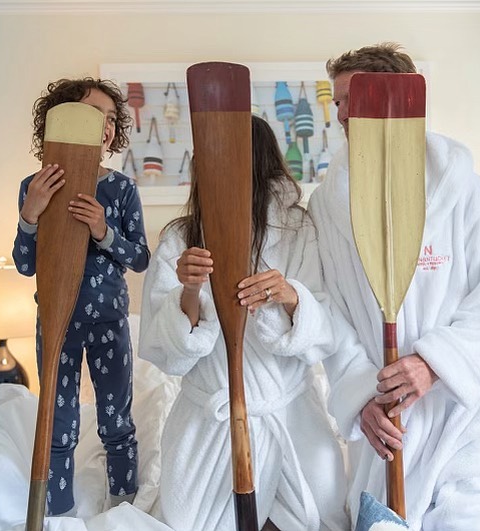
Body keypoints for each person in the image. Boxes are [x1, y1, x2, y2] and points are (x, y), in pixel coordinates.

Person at [309, 42, 480, 529]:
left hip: (463, 422)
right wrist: (362, 398)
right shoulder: (328, 206)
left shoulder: (465, 192)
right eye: (338, 102)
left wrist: (434, 364)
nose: (342, 115)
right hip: (386, 425)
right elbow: (330, 315)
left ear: (396, 101)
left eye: (353, 99)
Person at [138, 115, 350, 531]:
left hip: (289, 415)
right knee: (186, 521)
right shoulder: (181, 238)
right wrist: (190, 290)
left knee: (323, 513)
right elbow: (168, 353)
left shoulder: (299, 229)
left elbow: (326, 331)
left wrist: (290, 296)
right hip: (210, 421)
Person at [12, 78, 151, 516]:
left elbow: (141, 258)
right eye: (94, 116)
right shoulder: (34, 186)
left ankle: (124, 511)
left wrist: (103, 230)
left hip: (109, 320)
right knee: (58, 423)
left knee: (116, 421)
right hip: (57, 318)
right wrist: (30, 215)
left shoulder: (122, 189)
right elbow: (25, 264)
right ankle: (58, 515)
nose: (105, 126)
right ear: (63, 119)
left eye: (111, 119)